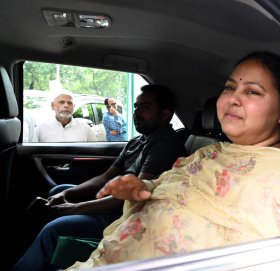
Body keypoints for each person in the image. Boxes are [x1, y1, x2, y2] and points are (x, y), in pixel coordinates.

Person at [66, 51, 280, 270]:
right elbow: (164, 187)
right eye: (229, 88)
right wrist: (141, 189)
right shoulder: (211, 152)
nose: (233, 99)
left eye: (252, 91)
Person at [12, 85, 187, 271]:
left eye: (144, 107)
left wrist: (68, 210)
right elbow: (105, 178)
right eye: (136, 106)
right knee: (59, 190)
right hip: (118, 206)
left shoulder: (165, 145)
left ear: (164, 114)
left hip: (130, 216)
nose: (136, 112)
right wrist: (67, 195)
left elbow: (131, 199)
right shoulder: (138, 141)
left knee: (54, 229)